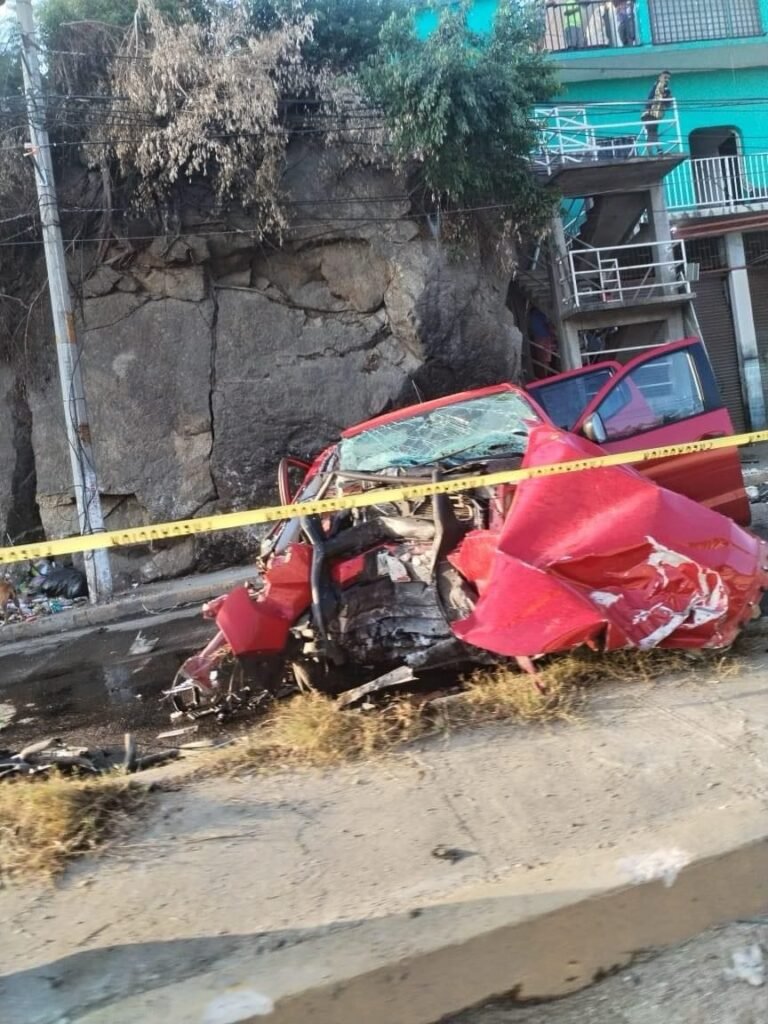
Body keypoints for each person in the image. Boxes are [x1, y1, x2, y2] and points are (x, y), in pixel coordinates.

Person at [641, 71, 672, 154]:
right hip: (650, 113)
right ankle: (653, 151)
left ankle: (658, 150)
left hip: (655, 114)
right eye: (665, 77)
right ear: (660, 77)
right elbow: (652, 98)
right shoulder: (658, 86)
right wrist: (667, 94)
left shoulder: (662, 87)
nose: (667, 80)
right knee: (652, 133)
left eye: (668, 78)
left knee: (653, 133)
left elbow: (667, 102)